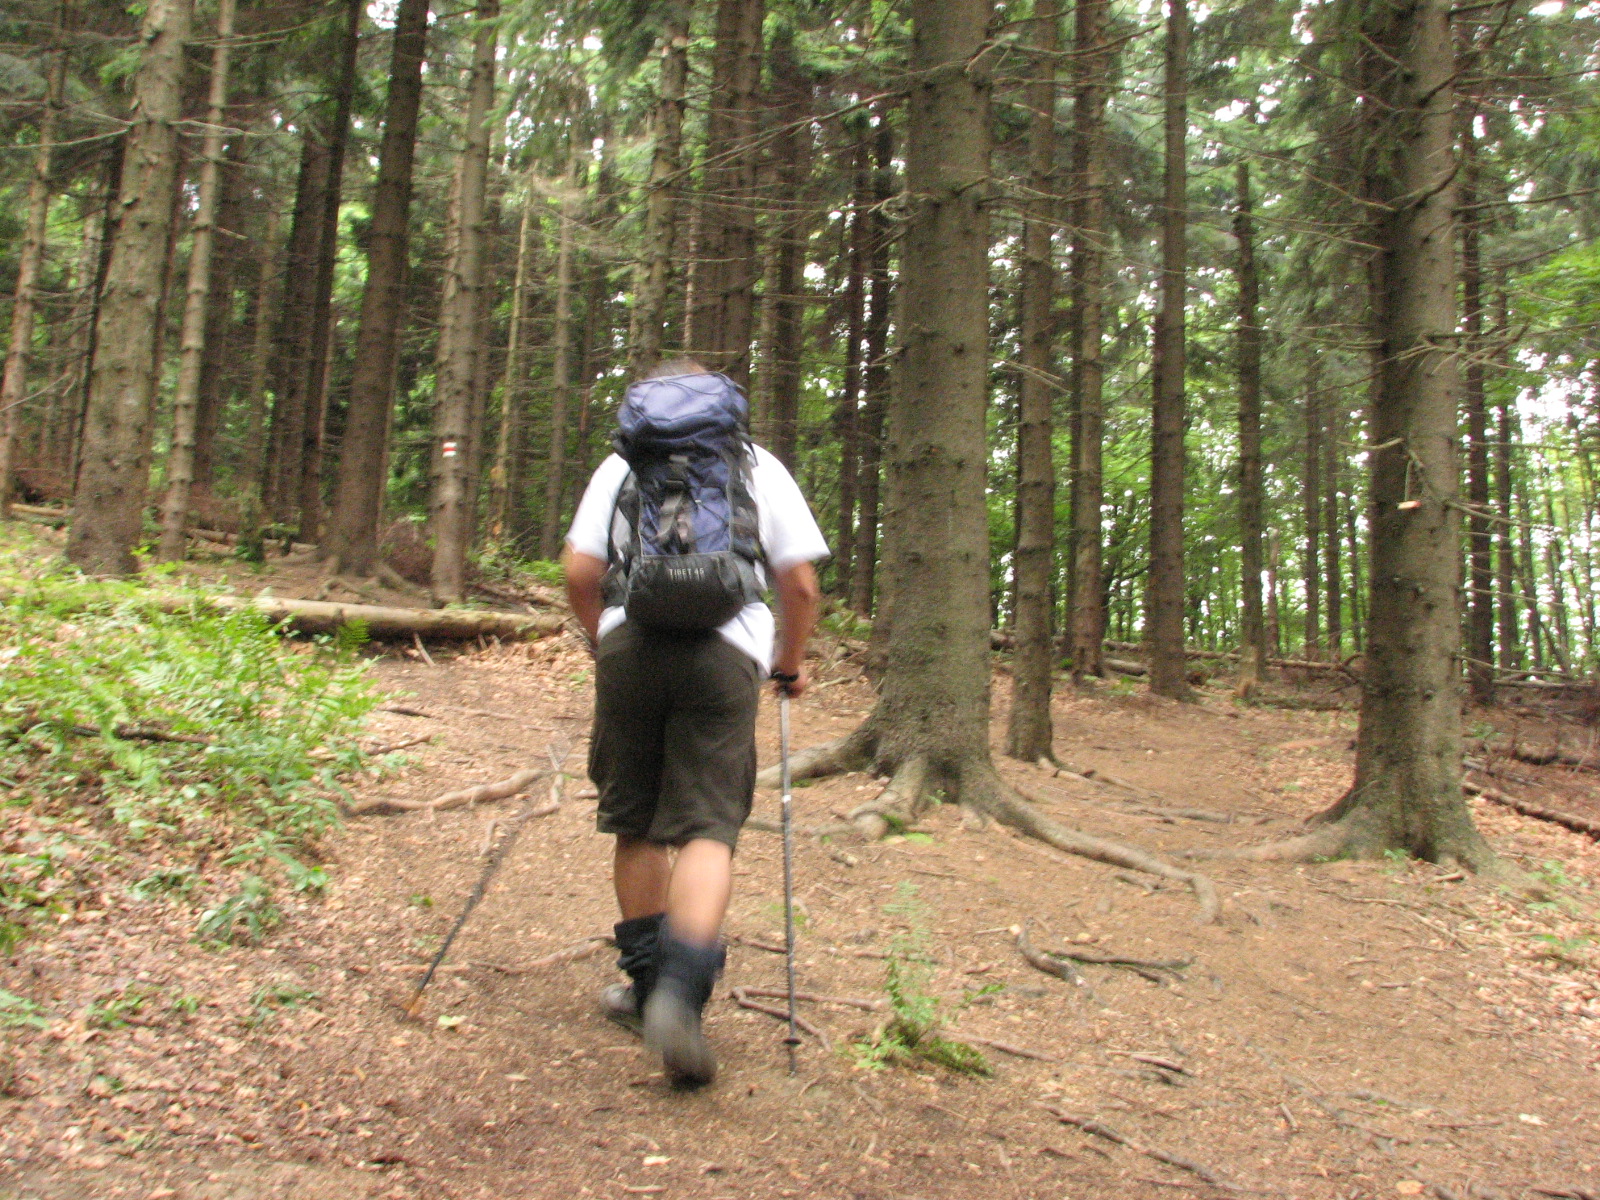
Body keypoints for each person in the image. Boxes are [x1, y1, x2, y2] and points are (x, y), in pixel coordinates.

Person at [563, 358, 826, 1087]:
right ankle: (681, 995)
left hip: (631, 644)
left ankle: (648, 989)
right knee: (708, 826)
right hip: (726, 653)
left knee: (637, 821)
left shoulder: (621, 466)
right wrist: (787, 661)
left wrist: (603, 638)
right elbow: (800, 584)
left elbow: (580, 573)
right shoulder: (755, 464)